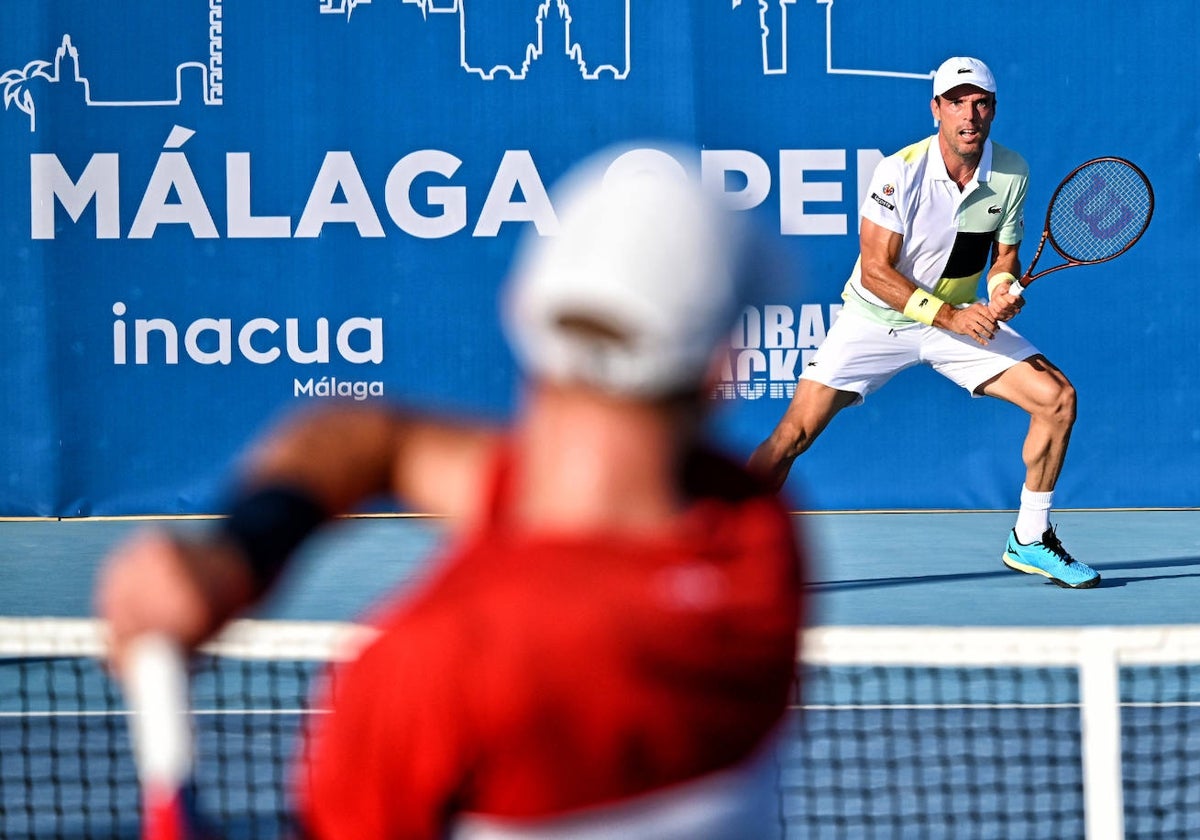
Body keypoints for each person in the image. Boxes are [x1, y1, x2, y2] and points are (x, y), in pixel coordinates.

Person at [96, 145, 806, 838]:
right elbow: (382, 439)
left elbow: (382, 441)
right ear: (722, 372)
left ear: (520, 313)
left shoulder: (423, 672)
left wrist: (241, 551)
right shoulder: (753, 543)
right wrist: (236, 555)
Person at [748, 56, 1100, 590]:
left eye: (980, 103)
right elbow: (874, 272)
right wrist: (952, 316)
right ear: (936, 109)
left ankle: (1030, 537)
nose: (969, 115)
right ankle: (718, 548)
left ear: (993, 110)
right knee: (791, 437)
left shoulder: (1011, 172)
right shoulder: (900, 170)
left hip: (955, 323)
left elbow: (1002, 260)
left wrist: (1002, 293)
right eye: (957, 102)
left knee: (1057, 399)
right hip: (876, 319)